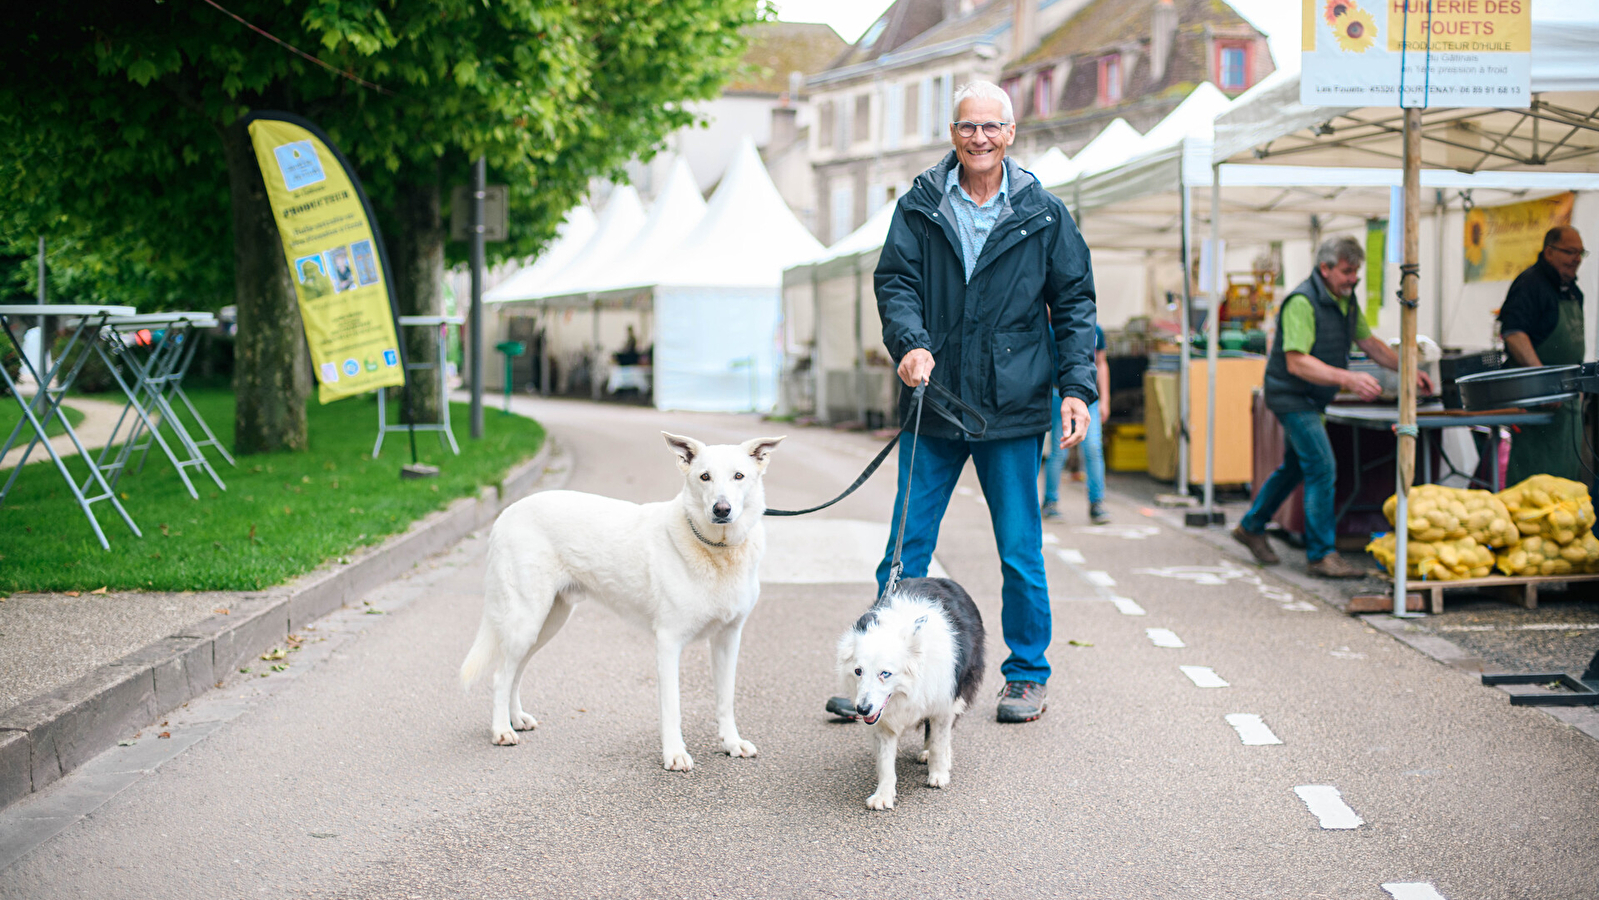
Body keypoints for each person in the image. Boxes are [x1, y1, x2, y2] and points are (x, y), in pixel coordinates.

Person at [823, 81, 1098, 724]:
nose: (980, 137)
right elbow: (896, 283)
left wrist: (1078, 388)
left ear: (1010, 133)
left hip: (1013, 408)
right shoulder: (919, 205)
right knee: (903, 551)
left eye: (992, 127)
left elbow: (1076, 304)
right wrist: (910, 344)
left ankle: (1027, 675)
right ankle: (880, 675)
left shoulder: (1045, 212)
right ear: (953, 132)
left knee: (1020, 552)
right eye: (968, 126)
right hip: (934, 404)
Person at [1231, 236, 1435, 578]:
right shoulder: (1302, 302)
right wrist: (1348, 379)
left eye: (1356, 271)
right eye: (1346, 271)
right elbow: (1296, 362)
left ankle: (1251, 526)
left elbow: (1369, 343)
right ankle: (1321, 554)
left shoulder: (1346, 301)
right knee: (1322, 466)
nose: (1353, 278)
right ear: (1324, 269)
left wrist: (1408, 369)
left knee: (1298, 467)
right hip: (1291, 395)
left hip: (1311, 397)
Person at [1498, 226, 1587, 485]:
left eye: (1580, 253)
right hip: (1539, 400)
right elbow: (1514, 334)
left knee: (1566, 483)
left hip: (1567, 402)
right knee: (1534, 485)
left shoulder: (1572, 290)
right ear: (1549, 251)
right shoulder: (1530, 284)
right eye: (1570, 252)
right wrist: (1546, 383)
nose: (1576, 259)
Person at [1042, 323, 1111, 525]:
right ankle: (1050, 502)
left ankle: (1097, 503)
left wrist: (1105, 399)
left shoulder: (1095, 330)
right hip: (1058, 394)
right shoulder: (1051, 329)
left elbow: (1101, 363)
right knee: (1059, 449)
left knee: (1093, 448)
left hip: (1089, 396)